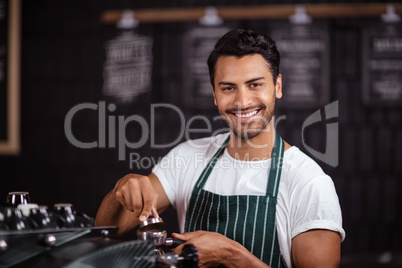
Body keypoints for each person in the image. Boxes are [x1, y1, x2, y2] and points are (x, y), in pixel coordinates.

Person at [95, 29, 345, 268]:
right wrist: (122, 188)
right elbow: (107, 230)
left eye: (255, 84)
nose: (242, 101)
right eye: (228, 88)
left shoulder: (309, 183)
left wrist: (230, 256)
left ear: (277, 86)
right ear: (214, 94)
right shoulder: (188, 157)